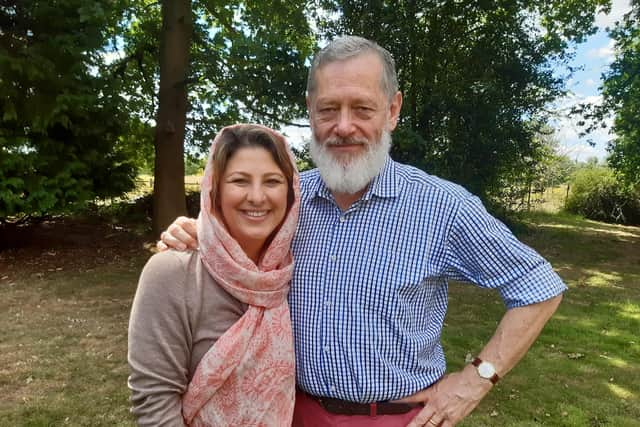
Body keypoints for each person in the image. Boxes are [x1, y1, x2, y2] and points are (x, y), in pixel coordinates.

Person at [159, 36, 566, 427]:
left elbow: (539, 286)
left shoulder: (443, 207)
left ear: (392, 110)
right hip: (288, 412)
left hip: (397, 418)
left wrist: (476, 380)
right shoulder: (288, 201)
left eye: (363, 109)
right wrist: (195, 232)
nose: (344, 126)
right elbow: (237, 243)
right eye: (328, 109)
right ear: (310, 111)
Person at [128, 124, 300, 426]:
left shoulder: (287, 270)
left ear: (291, 192)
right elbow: (154, 401)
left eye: (272, 181)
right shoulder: (173, 272)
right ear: (215, 189)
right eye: (240, 181)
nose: (257, 197)